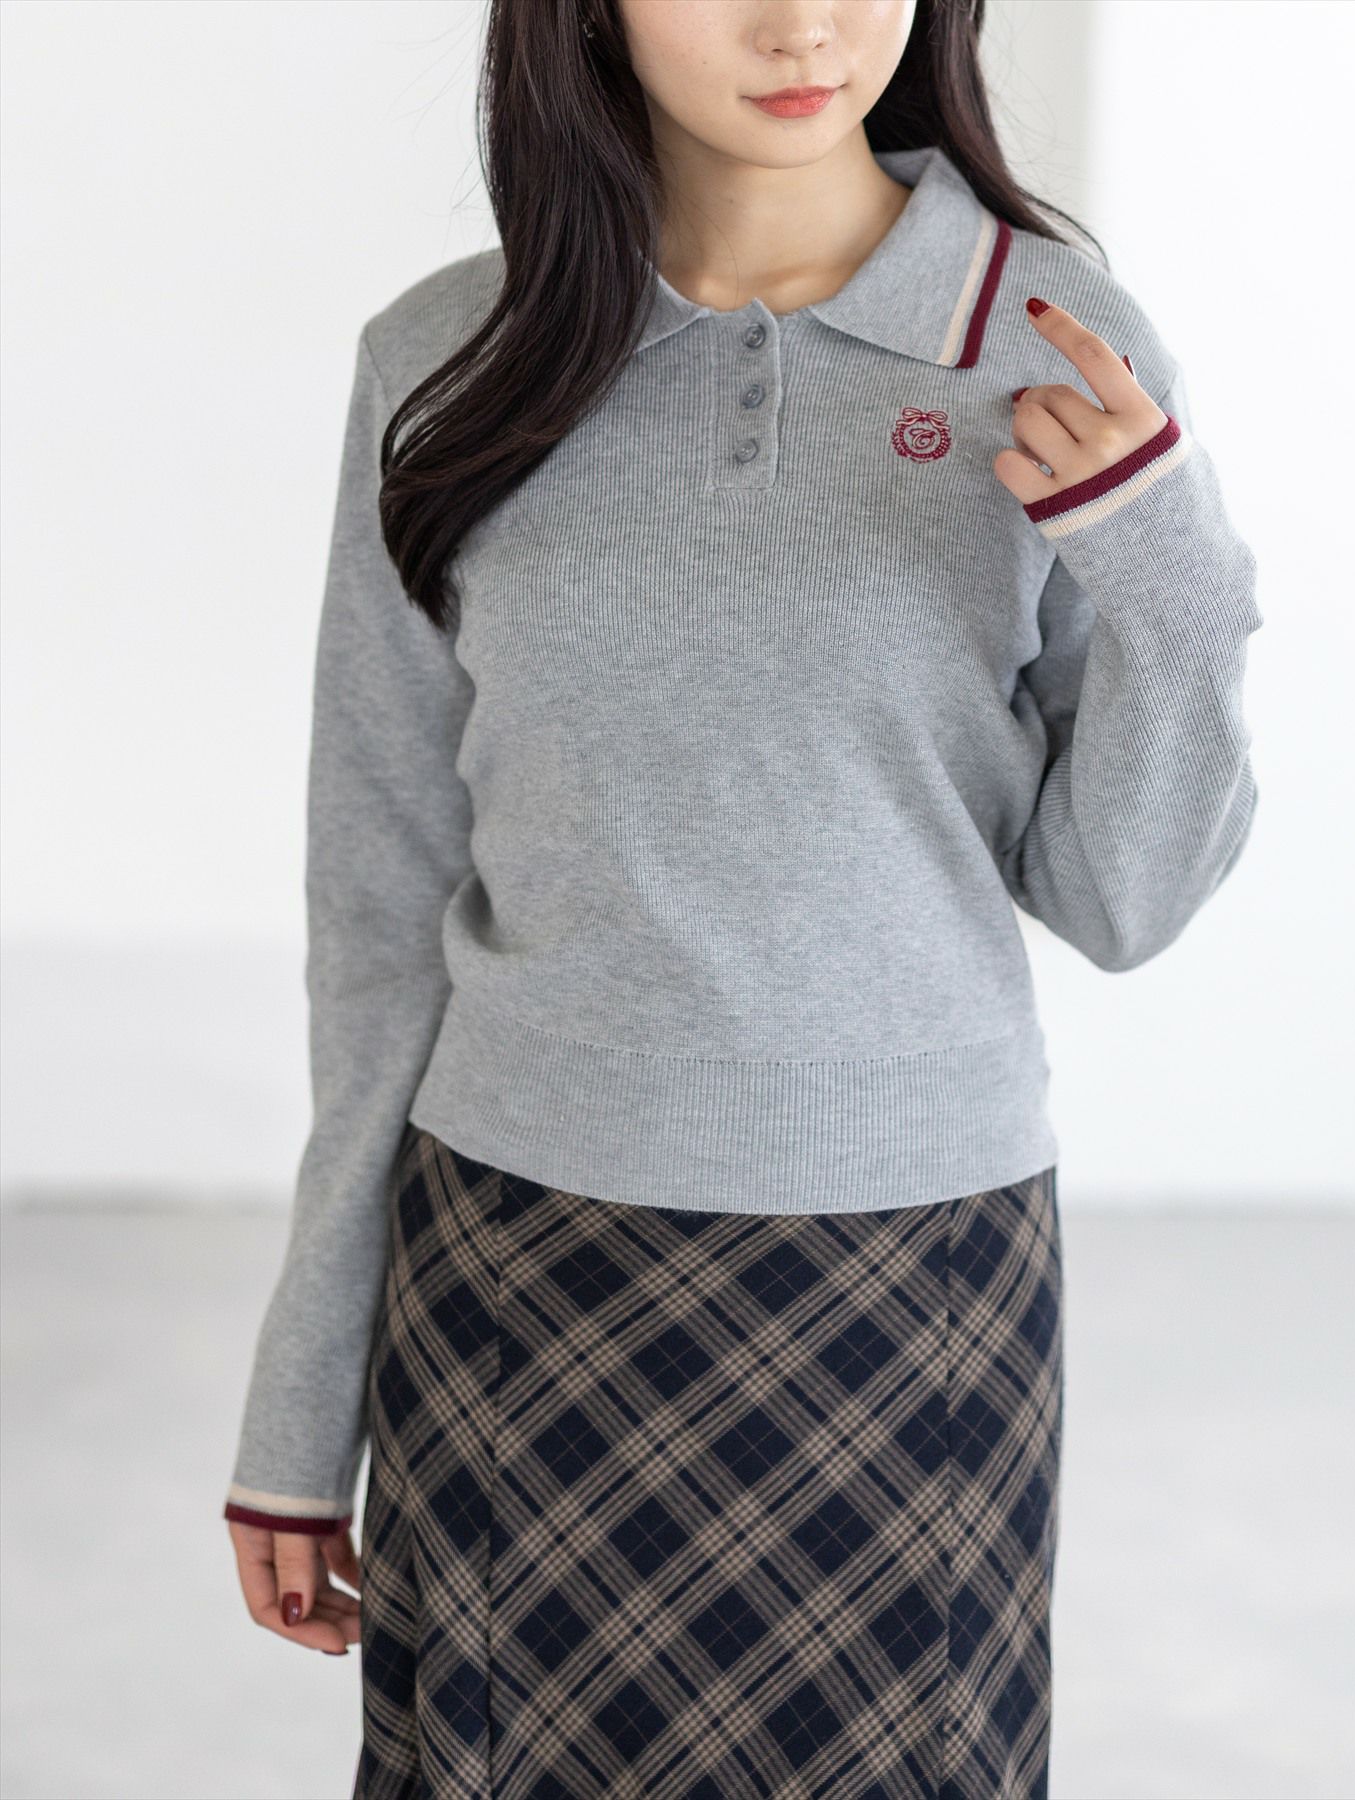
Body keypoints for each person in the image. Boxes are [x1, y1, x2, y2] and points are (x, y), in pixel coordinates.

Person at [222, 1, 1263, 1794]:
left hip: (916, 1282)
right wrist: (302, 1407)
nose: (803, 26)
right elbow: (377, 910)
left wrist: (1176, 580)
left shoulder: (1046, 336)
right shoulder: (445, 361)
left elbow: (1124, 901)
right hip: (517, 1278)